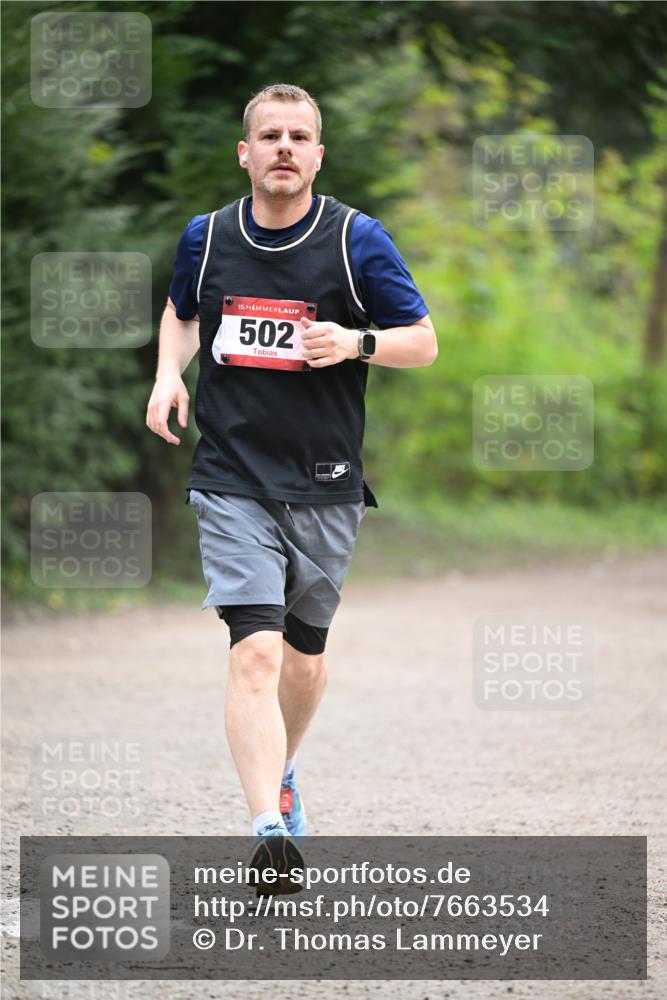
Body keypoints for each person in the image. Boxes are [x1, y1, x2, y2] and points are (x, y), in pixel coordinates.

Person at [146, 84, 437, 848]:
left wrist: (355, 342)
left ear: (316, 154)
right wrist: (168, 374)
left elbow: (423, 340)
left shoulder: (356, 240)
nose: (283, 147)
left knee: (303, 658)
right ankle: (267, 830)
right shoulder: (206, 237)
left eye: (297, 136)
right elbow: (183, 312)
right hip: (231, 475)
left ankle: (282, 769)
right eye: (269, 135)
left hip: (324, 480)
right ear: (245, 152)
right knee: (255, 650)